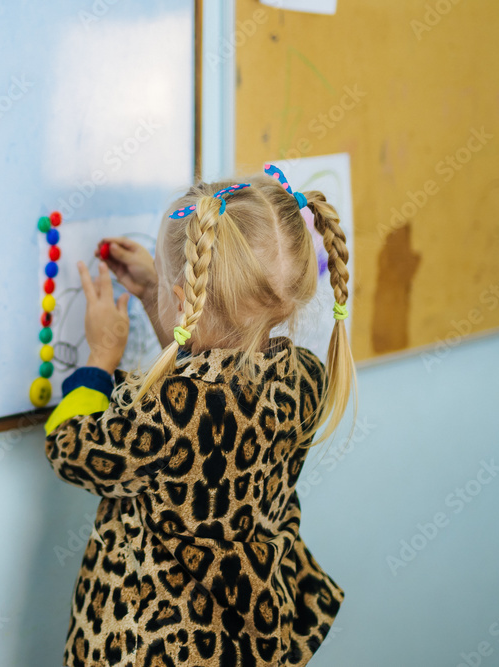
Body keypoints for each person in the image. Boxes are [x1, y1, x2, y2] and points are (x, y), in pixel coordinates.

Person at [43, 165, 357, 666]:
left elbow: (71, 449)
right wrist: (153, 293)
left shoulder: (168, 411)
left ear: (185, 296)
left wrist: (98, 364)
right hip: (243, 638)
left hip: (152, 642)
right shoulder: (307, 377)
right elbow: (216, 374)